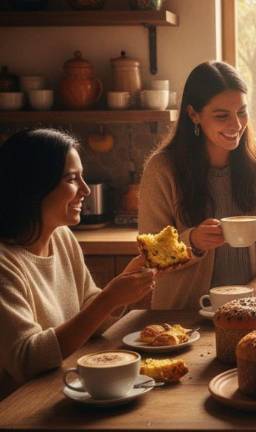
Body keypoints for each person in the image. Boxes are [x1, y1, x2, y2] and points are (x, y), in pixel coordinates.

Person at [0, 129, 156, 397]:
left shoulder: (61, 236)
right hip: (22, 409)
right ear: (34, 186)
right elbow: (26, 360)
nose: (85, 189)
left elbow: (91, 318)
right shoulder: (5, 263)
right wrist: (108, 299)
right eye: (72, 179)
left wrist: (124, 285)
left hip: (67, 387)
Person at [139, 61, 256, 309]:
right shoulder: (162, 168)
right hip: (185, 312)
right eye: (222, 116)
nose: (236, 125)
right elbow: (152, 254)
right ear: (193, 114)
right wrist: (194, 242)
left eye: (242, 112)